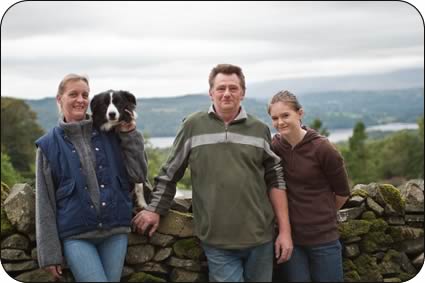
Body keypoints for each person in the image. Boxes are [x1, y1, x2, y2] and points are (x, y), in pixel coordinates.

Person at [132, 64, 293, 282]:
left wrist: (285, 232)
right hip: (217, 241)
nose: (227, 93)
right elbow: (170, 174)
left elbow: (276, 179)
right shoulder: (192, 126)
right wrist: (154, 209)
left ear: (243, 93)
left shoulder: (259, 129)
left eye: (233, 88)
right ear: (211, 92)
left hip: (260, 238)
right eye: (221, 88)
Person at [35, 74, 148, 282]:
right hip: (77, 236)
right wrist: (49, 254)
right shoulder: (48, 145)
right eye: (73, 94)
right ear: (59, 99)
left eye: (85, 94)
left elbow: (139, 174)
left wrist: (131, 134)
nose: (80, 99)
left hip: (116, 231)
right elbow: (44, 201)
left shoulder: (111, 132)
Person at [268, 90, 350, 282]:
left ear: (300, 113)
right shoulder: (275, 147)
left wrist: (322, 214)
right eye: (275, 118)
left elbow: (342, 192)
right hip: (291, 242)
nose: (280, 122)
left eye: (285, 115)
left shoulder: (323, 149)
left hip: (324, 240)